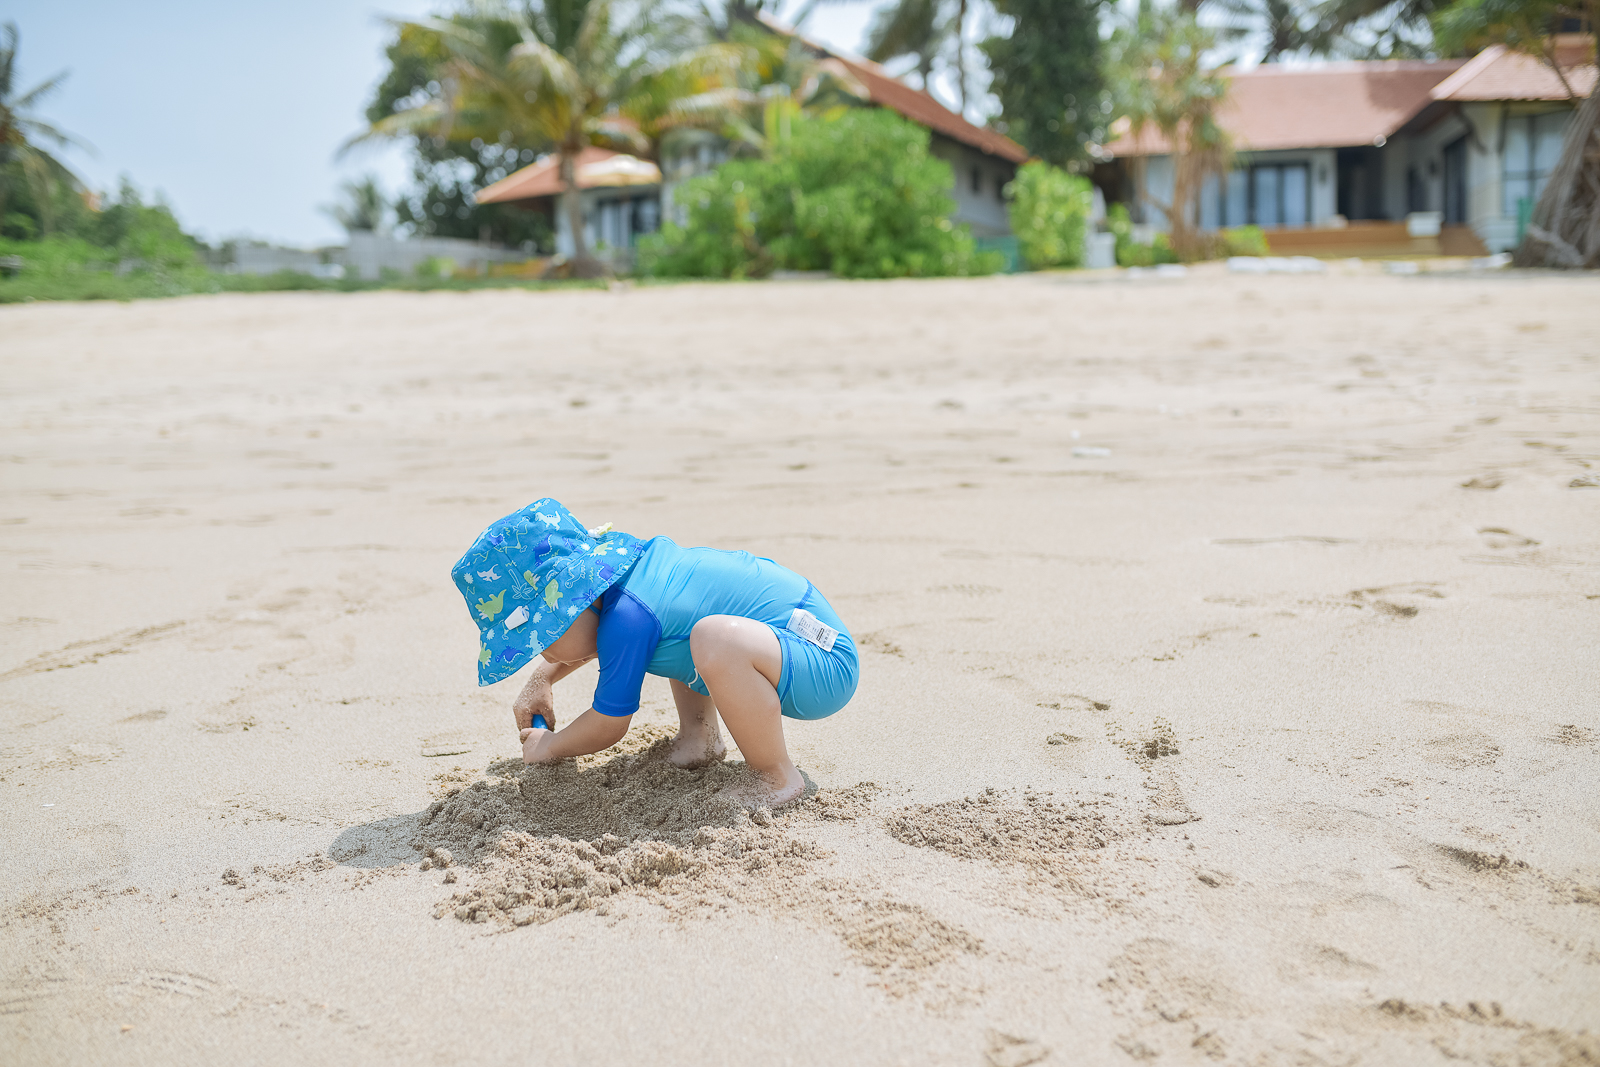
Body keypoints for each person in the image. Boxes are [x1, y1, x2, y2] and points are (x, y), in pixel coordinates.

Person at [452, 499, 858, 806]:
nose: (542, 649)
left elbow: (609, 723)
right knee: (685, 634)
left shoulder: (628, 616)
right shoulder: (626, 584)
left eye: (543, 637)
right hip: (793, 646)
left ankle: (776, 776)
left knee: (711, 638)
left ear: (573, 604)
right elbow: (594, 636)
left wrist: (549, 746)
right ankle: (699, 739)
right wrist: (544, 676)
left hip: (821, 663)